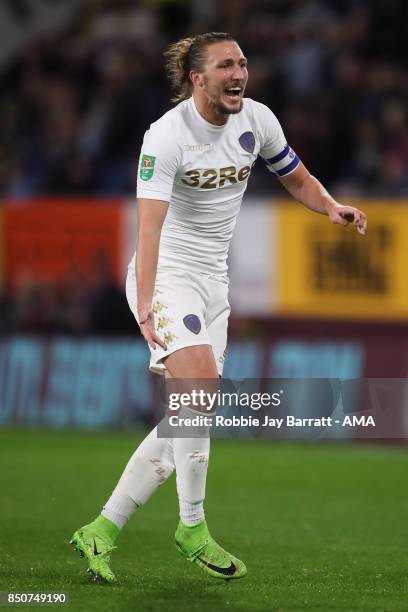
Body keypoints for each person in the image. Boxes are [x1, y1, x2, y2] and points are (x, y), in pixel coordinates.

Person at [70, 32, 367, 583]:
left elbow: (295, 177)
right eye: (226, 65)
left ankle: (102, 529)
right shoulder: (166, 136)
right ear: (197, 78)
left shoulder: (258, 119)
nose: (239, 73)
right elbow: (150, 229)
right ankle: (192, 526)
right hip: (168, 277)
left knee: (187, 420)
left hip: (213, 283)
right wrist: (145, 305)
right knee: (199, 392)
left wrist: (329, 207)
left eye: (243, 64)